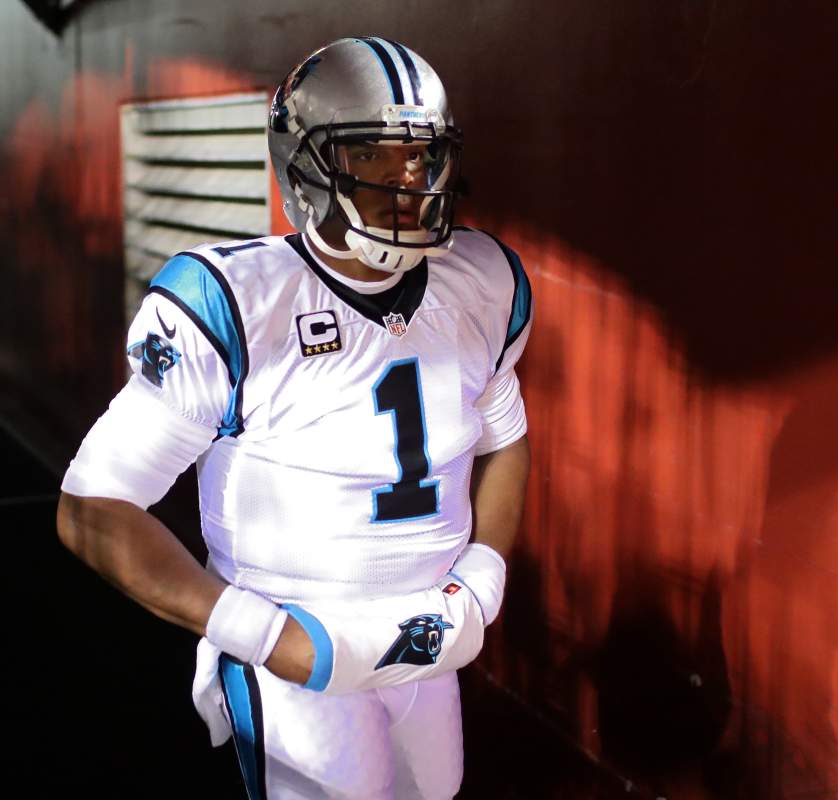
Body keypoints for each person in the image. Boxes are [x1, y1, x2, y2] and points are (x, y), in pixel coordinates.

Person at [56, 36, 532, 799]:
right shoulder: (237, 302)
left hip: (433, 634)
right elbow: (92, 509)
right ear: (305, 167)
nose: (408, 181)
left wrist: (485, 573)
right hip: (301, 651)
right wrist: (264, 635)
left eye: (421, 156)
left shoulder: (484, 282)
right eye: (372, 155)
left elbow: (506, 440)